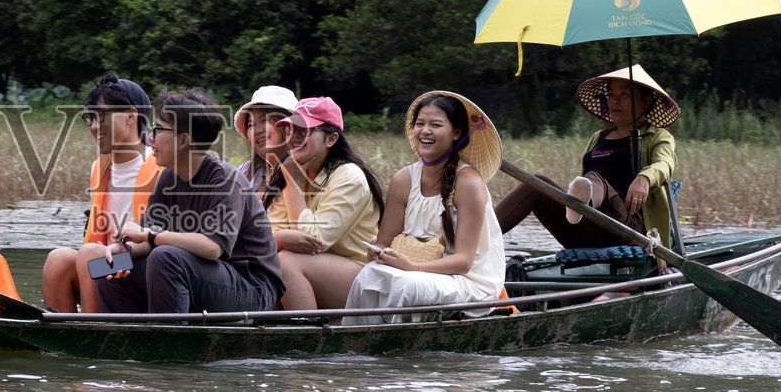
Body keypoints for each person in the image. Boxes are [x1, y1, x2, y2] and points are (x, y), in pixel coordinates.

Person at [95, 89, 284, 314]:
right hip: (205, 275)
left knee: (164, 257)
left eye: (158, 130)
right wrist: (123, 249)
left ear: (184, 140)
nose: (151, 138)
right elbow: (146, 239)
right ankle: (122, 339)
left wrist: (151, 236)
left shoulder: (225, 179)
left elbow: (213, 248)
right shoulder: (169, 178)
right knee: (108, 266)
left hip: (251, 285)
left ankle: (170, 339)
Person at [344, 91, 506, 324]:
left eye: (436, 124)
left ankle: (396, 351)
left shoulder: (468, 183)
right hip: (413, 270)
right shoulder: (403, 180)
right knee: (369, 275)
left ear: (456, 133)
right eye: (420, 124)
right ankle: (360, 349)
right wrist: (377, 250)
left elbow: (463, 262)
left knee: (408, 286)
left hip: (467, 280)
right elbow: (384, 240)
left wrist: (414, 267)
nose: (425, 131)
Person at [494, 64, 678, 249]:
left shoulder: (657, 136)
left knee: (594, 181)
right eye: (611, 95)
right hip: (583, 226)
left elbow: (665, 164)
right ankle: (474, 237)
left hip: (630, 229)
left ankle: (581, 204)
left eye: (624, 94)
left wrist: (645, 178)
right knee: (536, 184)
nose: (615, 101)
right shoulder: (598, 138)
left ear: (645, 102)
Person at [40, 72, 164, 312]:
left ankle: (94, 328)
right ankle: (63, 338)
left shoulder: (161, 167)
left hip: (142, 264)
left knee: (91, 254)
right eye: (91, 118)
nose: (95, 127)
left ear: (131, 116)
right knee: (58, 259)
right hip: (105, 263)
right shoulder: (100, 166)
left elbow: (163, 239)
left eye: (103, 117)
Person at [262, 97, 384, 310]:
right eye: (291, 129)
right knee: (268, 261)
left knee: (287, 261)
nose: (294, 137)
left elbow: (315, 240)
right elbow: (268, 231)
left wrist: (293, 183)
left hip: (360, 277)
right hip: (317, 272)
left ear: (331, 139)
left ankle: (307, 338)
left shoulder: (349, 176)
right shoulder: (298, 170)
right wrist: (280, 238)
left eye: (304, 130)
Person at [233, 85, 298, 194]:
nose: (257, 130)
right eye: (251, 125)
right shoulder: (246, 172)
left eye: (265, 120)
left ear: (286, 124)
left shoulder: (304, 172)